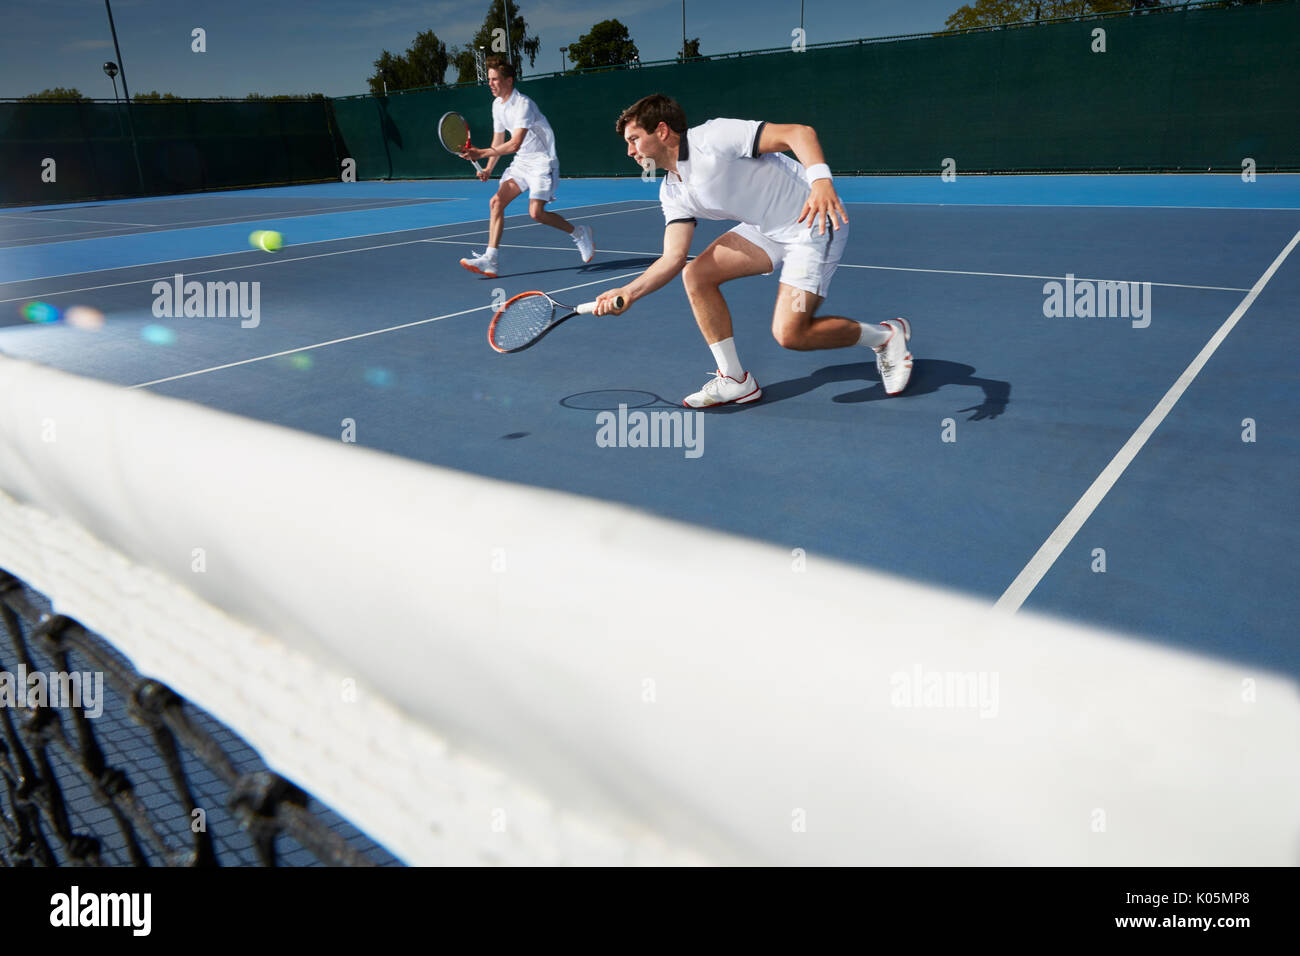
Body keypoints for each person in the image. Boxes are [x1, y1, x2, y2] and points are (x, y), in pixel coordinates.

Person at [593, 94, 912, 408]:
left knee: (791, 334)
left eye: (634, 139)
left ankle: (885, 336)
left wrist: (821, 182)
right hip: (766, 229)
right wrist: (629, 292)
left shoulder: (713, 138)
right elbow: (673, 258)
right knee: (696, 274)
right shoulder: (672, 190)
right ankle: (735, 380)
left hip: (813, 223)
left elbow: (799, 133)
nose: (630, 150)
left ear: (662, 131)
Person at [457, 58, 593, 278]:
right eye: (489, 79)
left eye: (495, 80)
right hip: (522, 161)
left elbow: (514, 143)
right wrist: (489, 167)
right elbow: (498, 140)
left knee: (536, 213)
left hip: (542, 161)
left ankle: (579, 233)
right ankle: (491, 260)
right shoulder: (497, 105)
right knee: (496, 202)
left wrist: (480, 153)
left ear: (509, 81)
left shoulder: (523, 104)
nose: (490, 84)